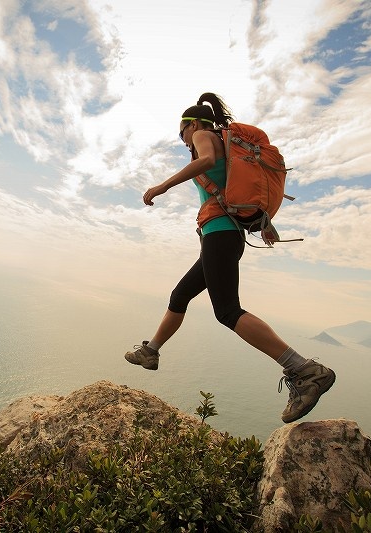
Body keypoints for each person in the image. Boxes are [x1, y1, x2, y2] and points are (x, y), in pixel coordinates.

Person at [124, 92, 336, 423]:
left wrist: (162, 186)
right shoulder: (225, 141)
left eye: (181, 133)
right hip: (223, 235)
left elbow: (206, 162)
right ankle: (151, 352)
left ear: (191, 124)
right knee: (180, 295)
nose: (184, 141)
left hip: (221, 235)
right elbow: (233, 186)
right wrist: (266, 222)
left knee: (227, 311)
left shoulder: (202, 135)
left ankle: (305, 370)